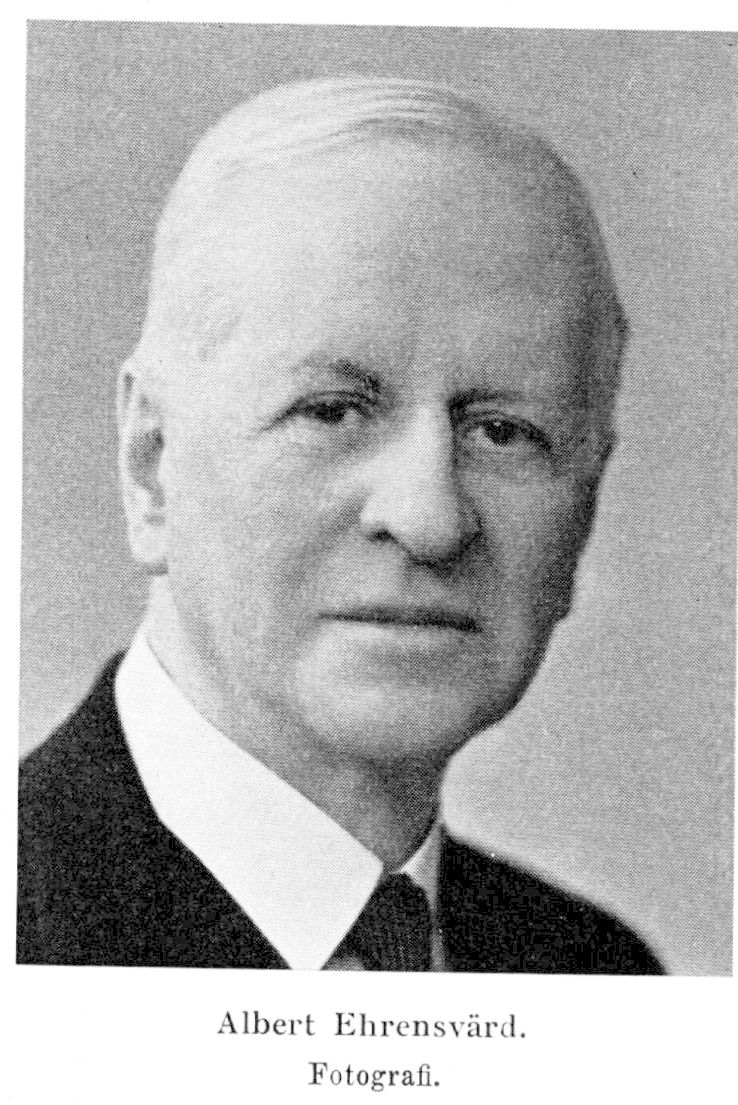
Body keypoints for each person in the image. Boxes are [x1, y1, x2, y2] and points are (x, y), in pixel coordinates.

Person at [17, 76, 663, 972]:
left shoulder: (599, 973)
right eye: (331, 411)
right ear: (151, 463)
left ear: (586, 501)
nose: (430, 519)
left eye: (503, 431)